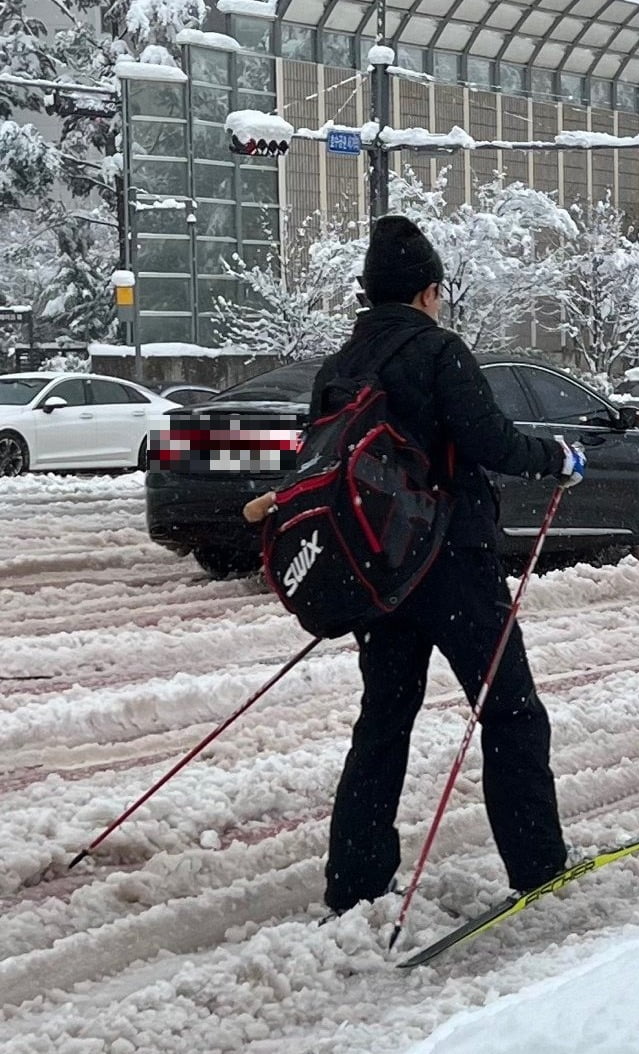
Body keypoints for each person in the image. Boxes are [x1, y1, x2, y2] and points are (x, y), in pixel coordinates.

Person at [245, 215, 585, 915]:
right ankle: (538, 865)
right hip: (454, 562)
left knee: (384, 720)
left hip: (379, 571)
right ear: (428, 290)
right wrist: (558, 459)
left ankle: (356, 882)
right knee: (509, 711)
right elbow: (489, 441)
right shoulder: (439, 352)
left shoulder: (340, 365)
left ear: (369, 293)